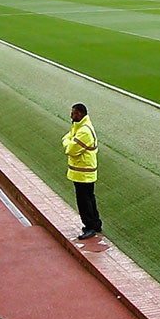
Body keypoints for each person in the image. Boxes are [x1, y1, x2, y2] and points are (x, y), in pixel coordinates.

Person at [63, 103, 101, 240]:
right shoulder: (79, 127)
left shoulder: (84, 131)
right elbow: (67, 138)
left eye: (73, 113)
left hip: (83, 171)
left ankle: (90, 227)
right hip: (84, 171)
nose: (71, 116)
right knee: (89, 197)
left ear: (80, 114)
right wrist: (68, 141)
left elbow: (70, 149)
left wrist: (68, 142)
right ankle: (96, 223)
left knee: (84, 200)